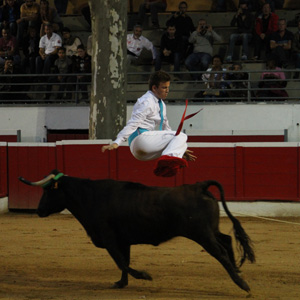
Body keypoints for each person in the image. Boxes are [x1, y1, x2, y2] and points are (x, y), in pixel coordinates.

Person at [101, 70, 196, 177]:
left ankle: (169, 162)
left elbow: (166, 129)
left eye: (168, 87)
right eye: (164, 87)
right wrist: (117, 142)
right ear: (154, 88)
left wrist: (179, 148)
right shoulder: (146, 101)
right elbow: (133, 123)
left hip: (141, 153)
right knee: (182, 135)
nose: (167, 91)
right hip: (140, 139)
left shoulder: (161, 104)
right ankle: (168, 160)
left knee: (182, 141)